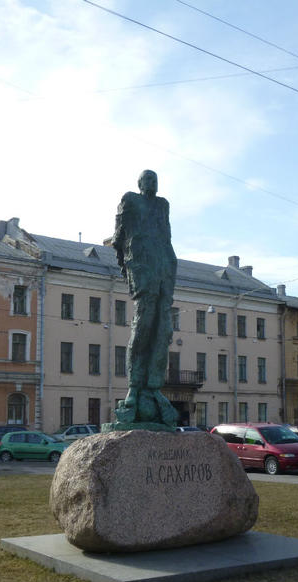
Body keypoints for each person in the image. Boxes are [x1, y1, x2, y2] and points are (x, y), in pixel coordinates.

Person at [111, 170, 178, 427]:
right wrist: (128, 270)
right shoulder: (130, 200)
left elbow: (166, 236)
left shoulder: (163, 205)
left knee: (163, 330)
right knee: (143, 325)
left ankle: (154, 386)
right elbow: (118, 238)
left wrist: (171, 264)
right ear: (139, 184)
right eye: (147, 180)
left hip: (163, 268)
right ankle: (135, 387)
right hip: (141, 268)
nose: (152, 183)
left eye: (155, 180)